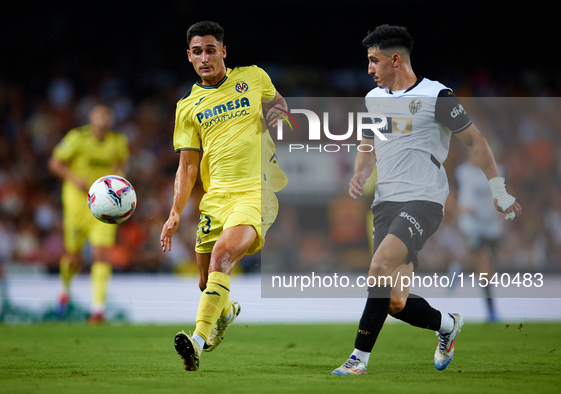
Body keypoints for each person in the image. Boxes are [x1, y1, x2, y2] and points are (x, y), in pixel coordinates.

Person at [334, 25, 522, 375]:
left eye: (374, 61)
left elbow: (476, 143)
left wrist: (499, 191)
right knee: (395, 301)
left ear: (395, 59)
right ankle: (447, 325)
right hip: (385, 203)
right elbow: (366, 144)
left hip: (423, 200)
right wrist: (359, 172)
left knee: (377, 268)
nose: (370, 69)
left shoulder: (438, 97)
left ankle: (358, 359)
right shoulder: (372, 100)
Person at [160, 21, 288, 372]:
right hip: (215, 199)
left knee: (222, 256)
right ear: (189, 56)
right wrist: (174, 212)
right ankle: (227, 312)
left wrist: (276, 119)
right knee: (207, 281)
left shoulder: (253, 77)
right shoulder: (187, 107)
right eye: (197, 52)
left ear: (223, 52)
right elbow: (187, 167)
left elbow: (278, 103)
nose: (205, 58)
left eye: (211, 50)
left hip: (254, 191)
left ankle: (197, 342)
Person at [49, 104, 129, 324]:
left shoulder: (118, 142)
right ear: (91, 118)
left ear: (111, 119)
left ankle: (98, 310)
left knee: (101, 254)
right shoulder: (77, 138)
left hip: (105, 206)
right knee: (73, 256)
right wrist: (74, 179)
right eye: (99, 114)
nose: (103, 118)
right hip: (77, 203)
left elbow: (120, 166)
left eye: (107, 114)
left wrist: (119, 182)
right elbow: (54, 163)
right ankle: (64, 293)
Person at [455, 150, 505, 321]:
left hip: (492, 227)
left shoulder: (498, 171)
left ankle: (459, 267)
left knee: (485, 264)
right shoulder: (462, 172)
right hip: (473, 225)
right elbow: (453, 196)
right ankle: (491, 309)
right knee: (484, 262)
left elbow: (505, 193)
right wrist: (461, 209)